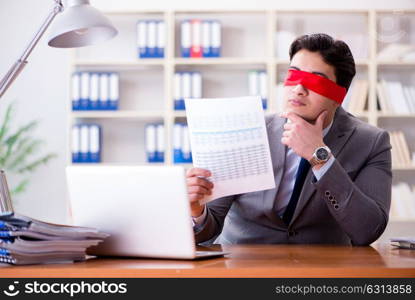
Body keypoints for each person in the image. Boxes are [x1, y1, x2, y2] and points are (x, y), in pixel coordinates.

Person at [186, 33, 392, 246]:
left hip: (323, 271)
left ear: (339, 96)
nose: (298, 89)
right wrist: (196, 210)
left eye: (316, 81)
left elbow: (368, 231)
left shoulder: (371, 142)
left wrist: (320, 156)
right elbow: (207, 230)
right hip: (244, 265)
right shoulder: (245, 130)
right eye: (294, 75)